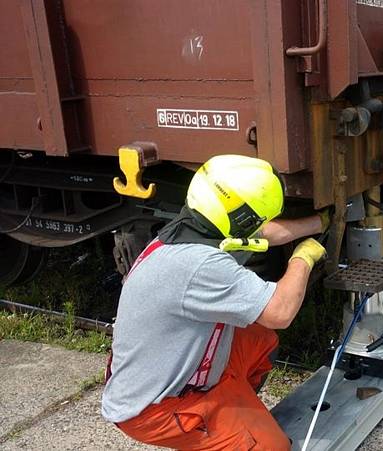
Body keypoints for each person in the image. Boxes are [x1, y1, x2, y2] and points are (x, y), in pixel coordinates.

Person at [101, 155, 328, 450]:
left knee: (259, 340)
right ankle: (224, 433)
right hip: (155, 409)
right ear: (242, 219)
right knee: (273, 447)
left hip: (176, 375)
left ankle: (230, 416)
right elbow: (280, 312)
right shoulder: (200, 265)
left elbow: (264, 234)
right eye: (257, 218)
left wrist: (321, 221)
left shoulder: (188, 228)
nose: (259, 226)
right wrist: (303, 257)